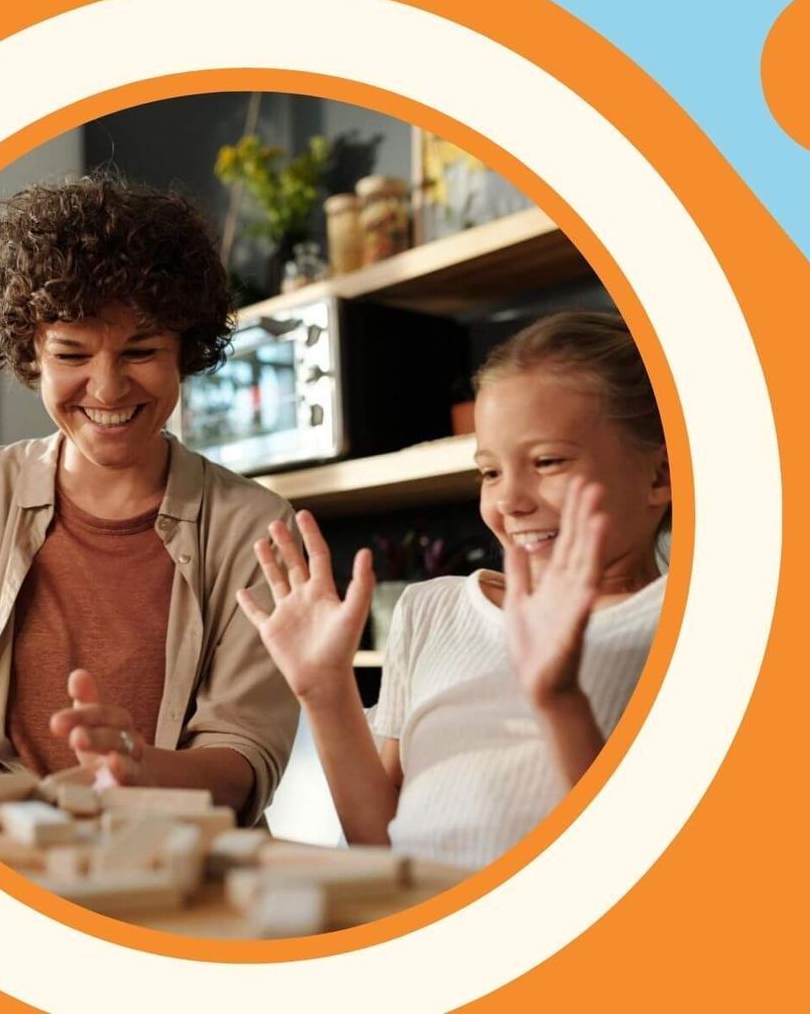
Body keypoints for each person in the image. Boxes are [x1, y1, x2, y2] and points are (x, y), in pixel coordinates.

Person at [0, 174, 299, 824]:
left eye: (141, 351)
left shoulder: (254, 528)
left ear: (185, 351)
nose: (108, 387)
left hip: (181, 873)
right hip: (8, 857)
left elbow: (242, 764)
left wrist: (137, 768)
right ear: (31, 355)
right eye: (72, 353)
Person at [238, 312, 671, 867]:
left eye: (547, 462)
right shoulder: (432, 610)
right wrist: (325, 690)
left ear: (659, 476)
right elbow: (380, 847)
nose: (510, 499)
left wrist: (560, 700)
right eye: (489, 472)